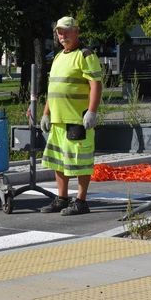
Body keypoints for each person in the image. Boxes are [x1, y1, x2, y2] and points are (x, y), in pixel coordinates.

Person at [36, 16, 104, 216]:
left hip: (77, 120)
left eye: (66, 31)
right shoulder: (58, 57)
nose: (62, 35)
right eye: (59, 32)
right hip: (58, 120)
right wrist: (46, 113)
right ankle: (62, 198)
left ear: (76, 31)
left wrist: (92, 111)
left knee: (80, 161)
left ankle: (81, 201)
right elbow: (53, 88)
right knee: (58, 161)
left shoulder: (85, 55)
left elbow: (95, 84)